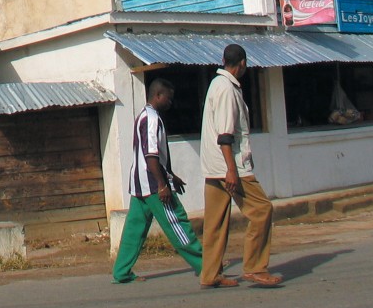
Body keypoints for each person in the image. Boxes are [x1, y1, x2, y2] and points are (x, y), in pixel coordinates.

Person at [199, 44, 283, 289]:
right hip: (230, 166)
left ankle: (210, 274)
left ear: (224, 60)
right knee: (262, 210)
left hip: (214, 166)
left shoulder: (217, 84)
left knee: (214, 223)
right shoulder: (226, 89)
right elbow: (225, 135)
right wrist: (232, 170)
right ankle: (256, 267)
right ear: (243, 63)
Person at [113, 77, 203, 284]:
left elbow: (155, 156)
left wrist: (172, 175)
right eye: (169, 99)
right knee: (177, 222)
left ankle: (121, 272)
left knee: (134, 230)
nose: (171, 103)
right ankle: (204, 264)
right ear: (158, 96)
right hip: (153, 185)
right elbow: (151, 156)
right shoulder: (152, 119)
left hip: (139, 184)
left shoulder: (144, 116)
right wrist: (163, 185)